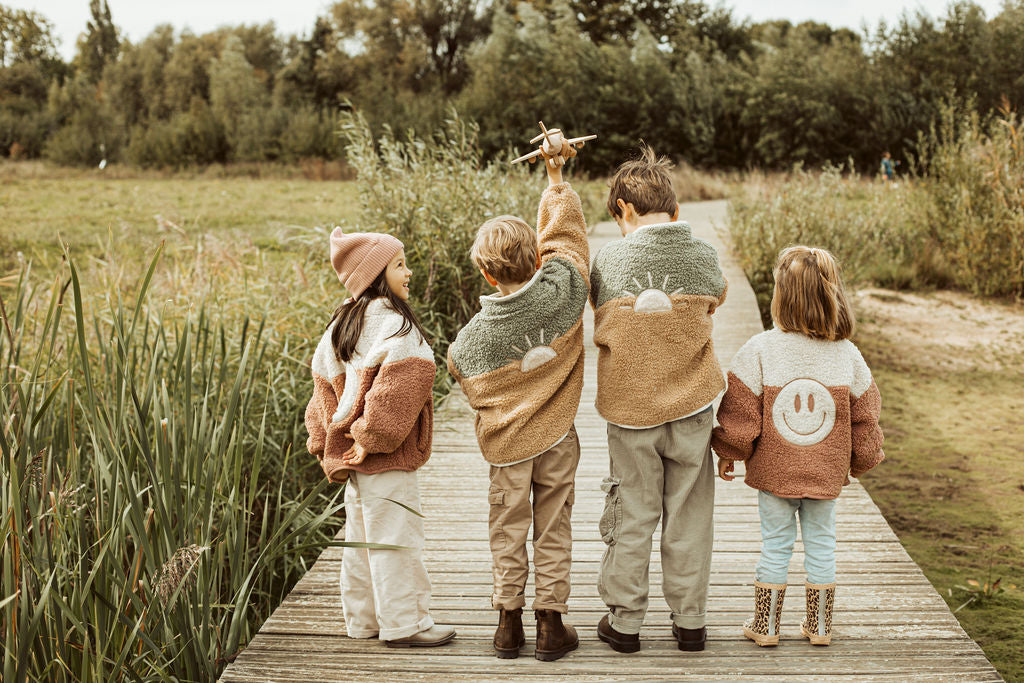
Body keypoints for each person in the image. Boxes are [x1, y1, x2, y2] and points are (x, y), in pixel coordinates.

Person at [447, 147, 589, 661]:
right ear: (537, 260)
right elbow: (568, 240)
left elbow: (462, 375)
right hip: (558, 437)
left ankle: (508, 623)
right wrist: (555, 178)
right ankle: (551, 623)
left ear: (487, 275)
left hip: (507, 448)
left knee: (508, 529)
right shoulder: (564, 291)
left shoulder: (471, 340)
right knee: (553, 526)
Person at [590, 145, 728, 654]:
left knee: (632, 515)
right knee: (689, 517)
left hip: (631, 414)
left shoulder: (608, 259)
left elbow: (597, 303)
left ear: (623, 210)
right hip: (692, 409)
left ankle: (625, 623)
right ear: (674, 210)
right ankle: (690, 622)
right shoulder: (703, 254)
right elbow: (718, 296)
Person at [712, 246, 885, 647]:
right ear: (833, 296)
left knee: (775, 545)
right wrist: (862, 460)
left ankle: (766, 626)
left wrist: (730, 452)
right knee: (822, 544)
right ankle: (820, 626)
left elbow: (740, 412)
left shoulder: (760, 349)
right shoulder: (847, 355)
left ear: (780, 296)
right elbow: (866, 415)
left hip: (775, 472)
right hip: (825, 473)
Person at [304, 230, 456, 647]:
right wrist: (372, 437)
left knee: (360, 542)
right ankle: (406, 624)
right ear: (375, 275)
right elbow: (400, 389)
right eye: (399, 265)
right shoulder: (396, 325)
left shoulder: (341, 324)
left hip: (352, 460)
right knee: (396, 541)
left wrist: (324, 444)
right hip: (387, 455)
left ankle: (364, 620)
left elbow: (321, 392)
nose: (409, 273)